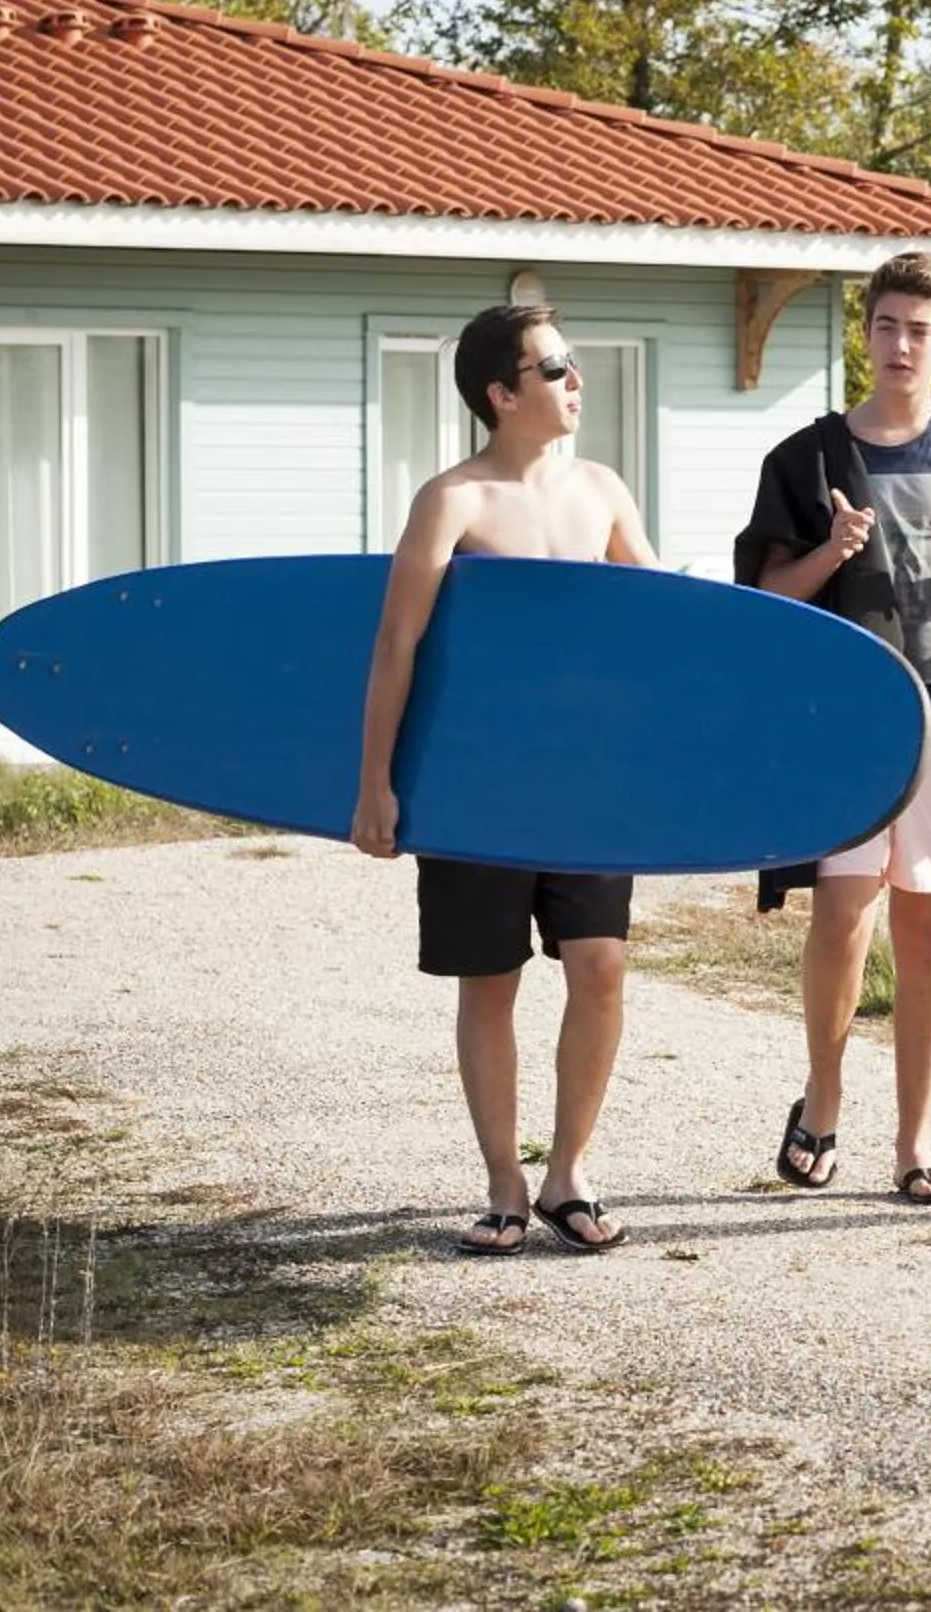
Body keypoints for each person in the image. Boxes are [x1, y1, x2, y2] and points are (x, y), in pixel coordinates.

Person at [354, 303, 658, 1256]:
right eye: (555, 367)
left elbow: (663, 633)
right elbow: (396, 645)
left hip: (587, 784)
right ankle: (502, 1184)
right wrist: (376, 783)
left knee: (600, 969)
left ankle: (570, 1172)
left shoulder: (603, 491)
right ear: (501, 393)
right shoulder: (454, 501)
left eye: (571, 363)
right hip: (473, 782)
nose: (576, 380)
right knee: (489, 984)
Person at [735, 252, 931, 1204]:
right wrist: (830, 549)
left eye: (919, 330)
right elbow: (765, 598)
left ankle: (916, 1146)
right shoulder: (807, 458)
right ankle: (822, 1100)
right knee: (842, 919)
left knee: (928, 929)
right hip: (844, 714)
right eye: (885, 326)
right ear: (864, 335)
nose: (900, 345)